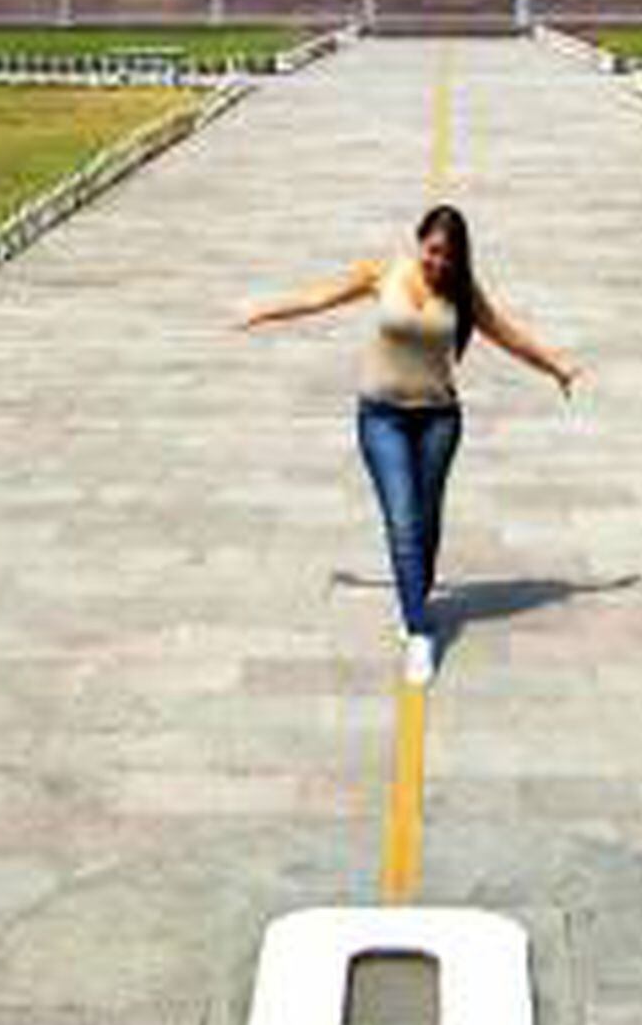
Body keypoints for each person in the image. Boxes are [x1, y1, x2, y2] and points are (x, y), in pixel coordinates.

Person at [238, 203, 578, 684]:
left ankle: (412, 598)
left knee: (427, 519)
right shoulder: (383, 274)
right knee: (402, 519)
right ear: (419, 241)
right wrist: (265, 311)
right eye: (434, 251)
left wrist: (556, 366)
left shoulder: (462, 292)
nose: (439, 263)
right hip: (381, 419)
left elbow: (507, 334)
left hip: (439, 420)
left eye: (450, 257)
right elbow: (320, 298)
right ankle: (419, 632)